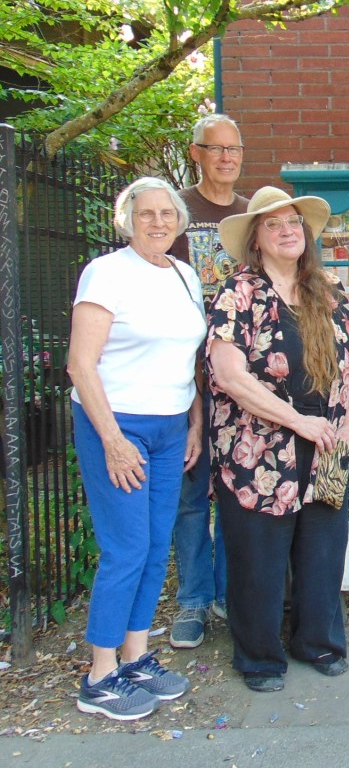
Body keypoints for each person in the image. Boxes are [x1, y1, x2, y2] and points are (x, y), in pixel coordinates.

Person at [207, 186, 349, 693]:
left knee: (323, 549)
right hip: (257, 446)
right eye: (273, 223)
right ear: (256, 238)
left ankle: (318, 642)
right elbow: (229, 375)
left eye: (293, 221)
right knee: (258, 556)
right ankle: (259, 658)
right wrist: (298, 421)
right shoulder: (239, 293)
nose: (286, 229)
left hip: (327, 441)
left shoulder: (329, 289)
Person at [67, 177, 206, 721]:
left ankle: (136, 657)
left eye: (166, 213)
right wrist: (113, 440)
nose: (157, 222)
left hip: (172, 427)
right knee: (125, 548)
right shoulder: (107, 272)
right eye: (145, 213)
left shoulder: (185, 274)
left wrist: (194, 422)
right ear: (126, 220)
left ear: (179, 220)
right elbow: (82, 364)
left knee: (154, 547)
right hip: (117, 424)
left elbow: (187, 359)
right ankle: (100, 677)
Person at [169, 113, 248, 650]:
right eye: (215, 149)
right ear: (196, 153)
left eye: (234, 148)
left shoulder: (251, 215)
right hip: (185, 377)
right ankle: (194, 600)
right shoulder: (175, 214)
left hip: (243, 379)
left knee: (239, 492)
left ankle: (230, 593)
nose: (226, 157)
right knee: (192, 495)